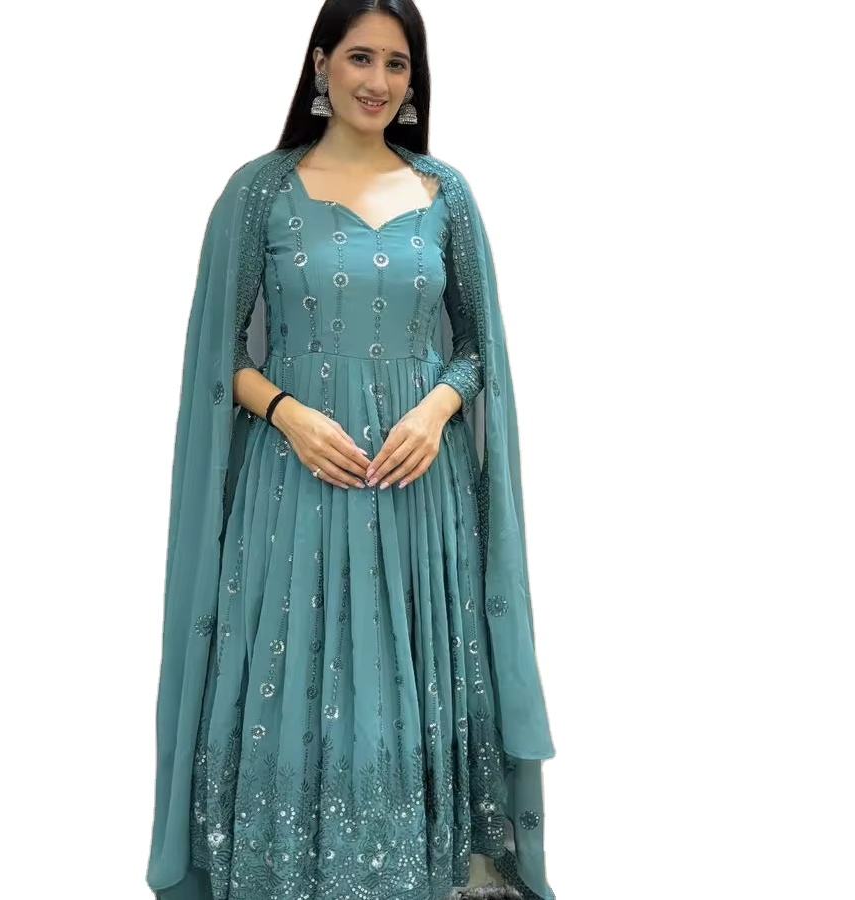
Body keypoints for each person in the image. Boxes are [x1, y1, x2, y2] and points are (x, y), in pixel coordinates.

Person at [146, 2, 555, 899]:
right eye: (361, 57)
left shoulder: (445, 193)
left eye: (397, 64)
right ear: (321, 63)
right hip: (292, 491)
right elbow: (216, 353)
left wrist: (436, 410)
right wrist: (287, 412)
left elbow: (478, 347)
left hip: (418, 495)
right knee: (292, 679)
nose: (377, 80)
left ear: (414, 81)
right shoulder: (260, 190)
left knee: (408, 686)